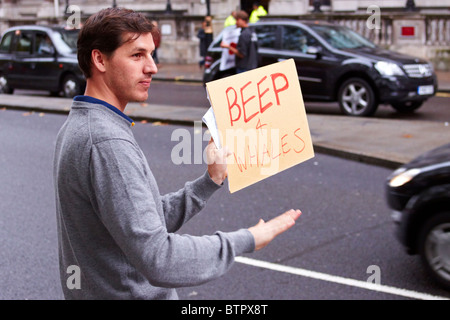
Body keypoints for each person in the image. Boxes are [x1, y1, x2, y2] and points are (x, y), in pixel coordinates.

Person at [53, 7, 301, 300]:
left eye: (151, 54)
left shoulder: (84, 123)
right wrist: (248, 240)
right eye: (137, 55)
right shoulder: (106, 141)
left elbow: (141, 223)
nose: (152, 67)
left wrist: (210, 181)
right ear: (99, 59)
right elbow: (159, 259)